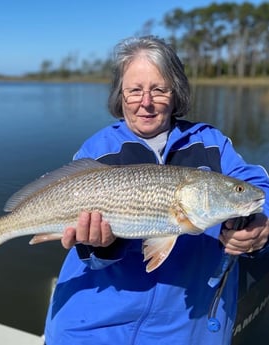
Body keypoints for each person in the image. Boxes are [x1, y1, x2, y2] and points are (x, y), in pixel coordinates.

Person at [44, 36, 269, 345]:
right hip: (93, 328)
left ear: (176, 93)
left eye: (159, 89)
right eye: (134, 90)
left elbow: (258, 191)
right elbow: (88, 256)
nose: (145, 101)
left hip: (187, 329)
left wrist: (261, 224)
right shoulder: (97, 151)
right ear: (119, 96)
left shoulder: (211, 144)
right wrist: (100, 246)